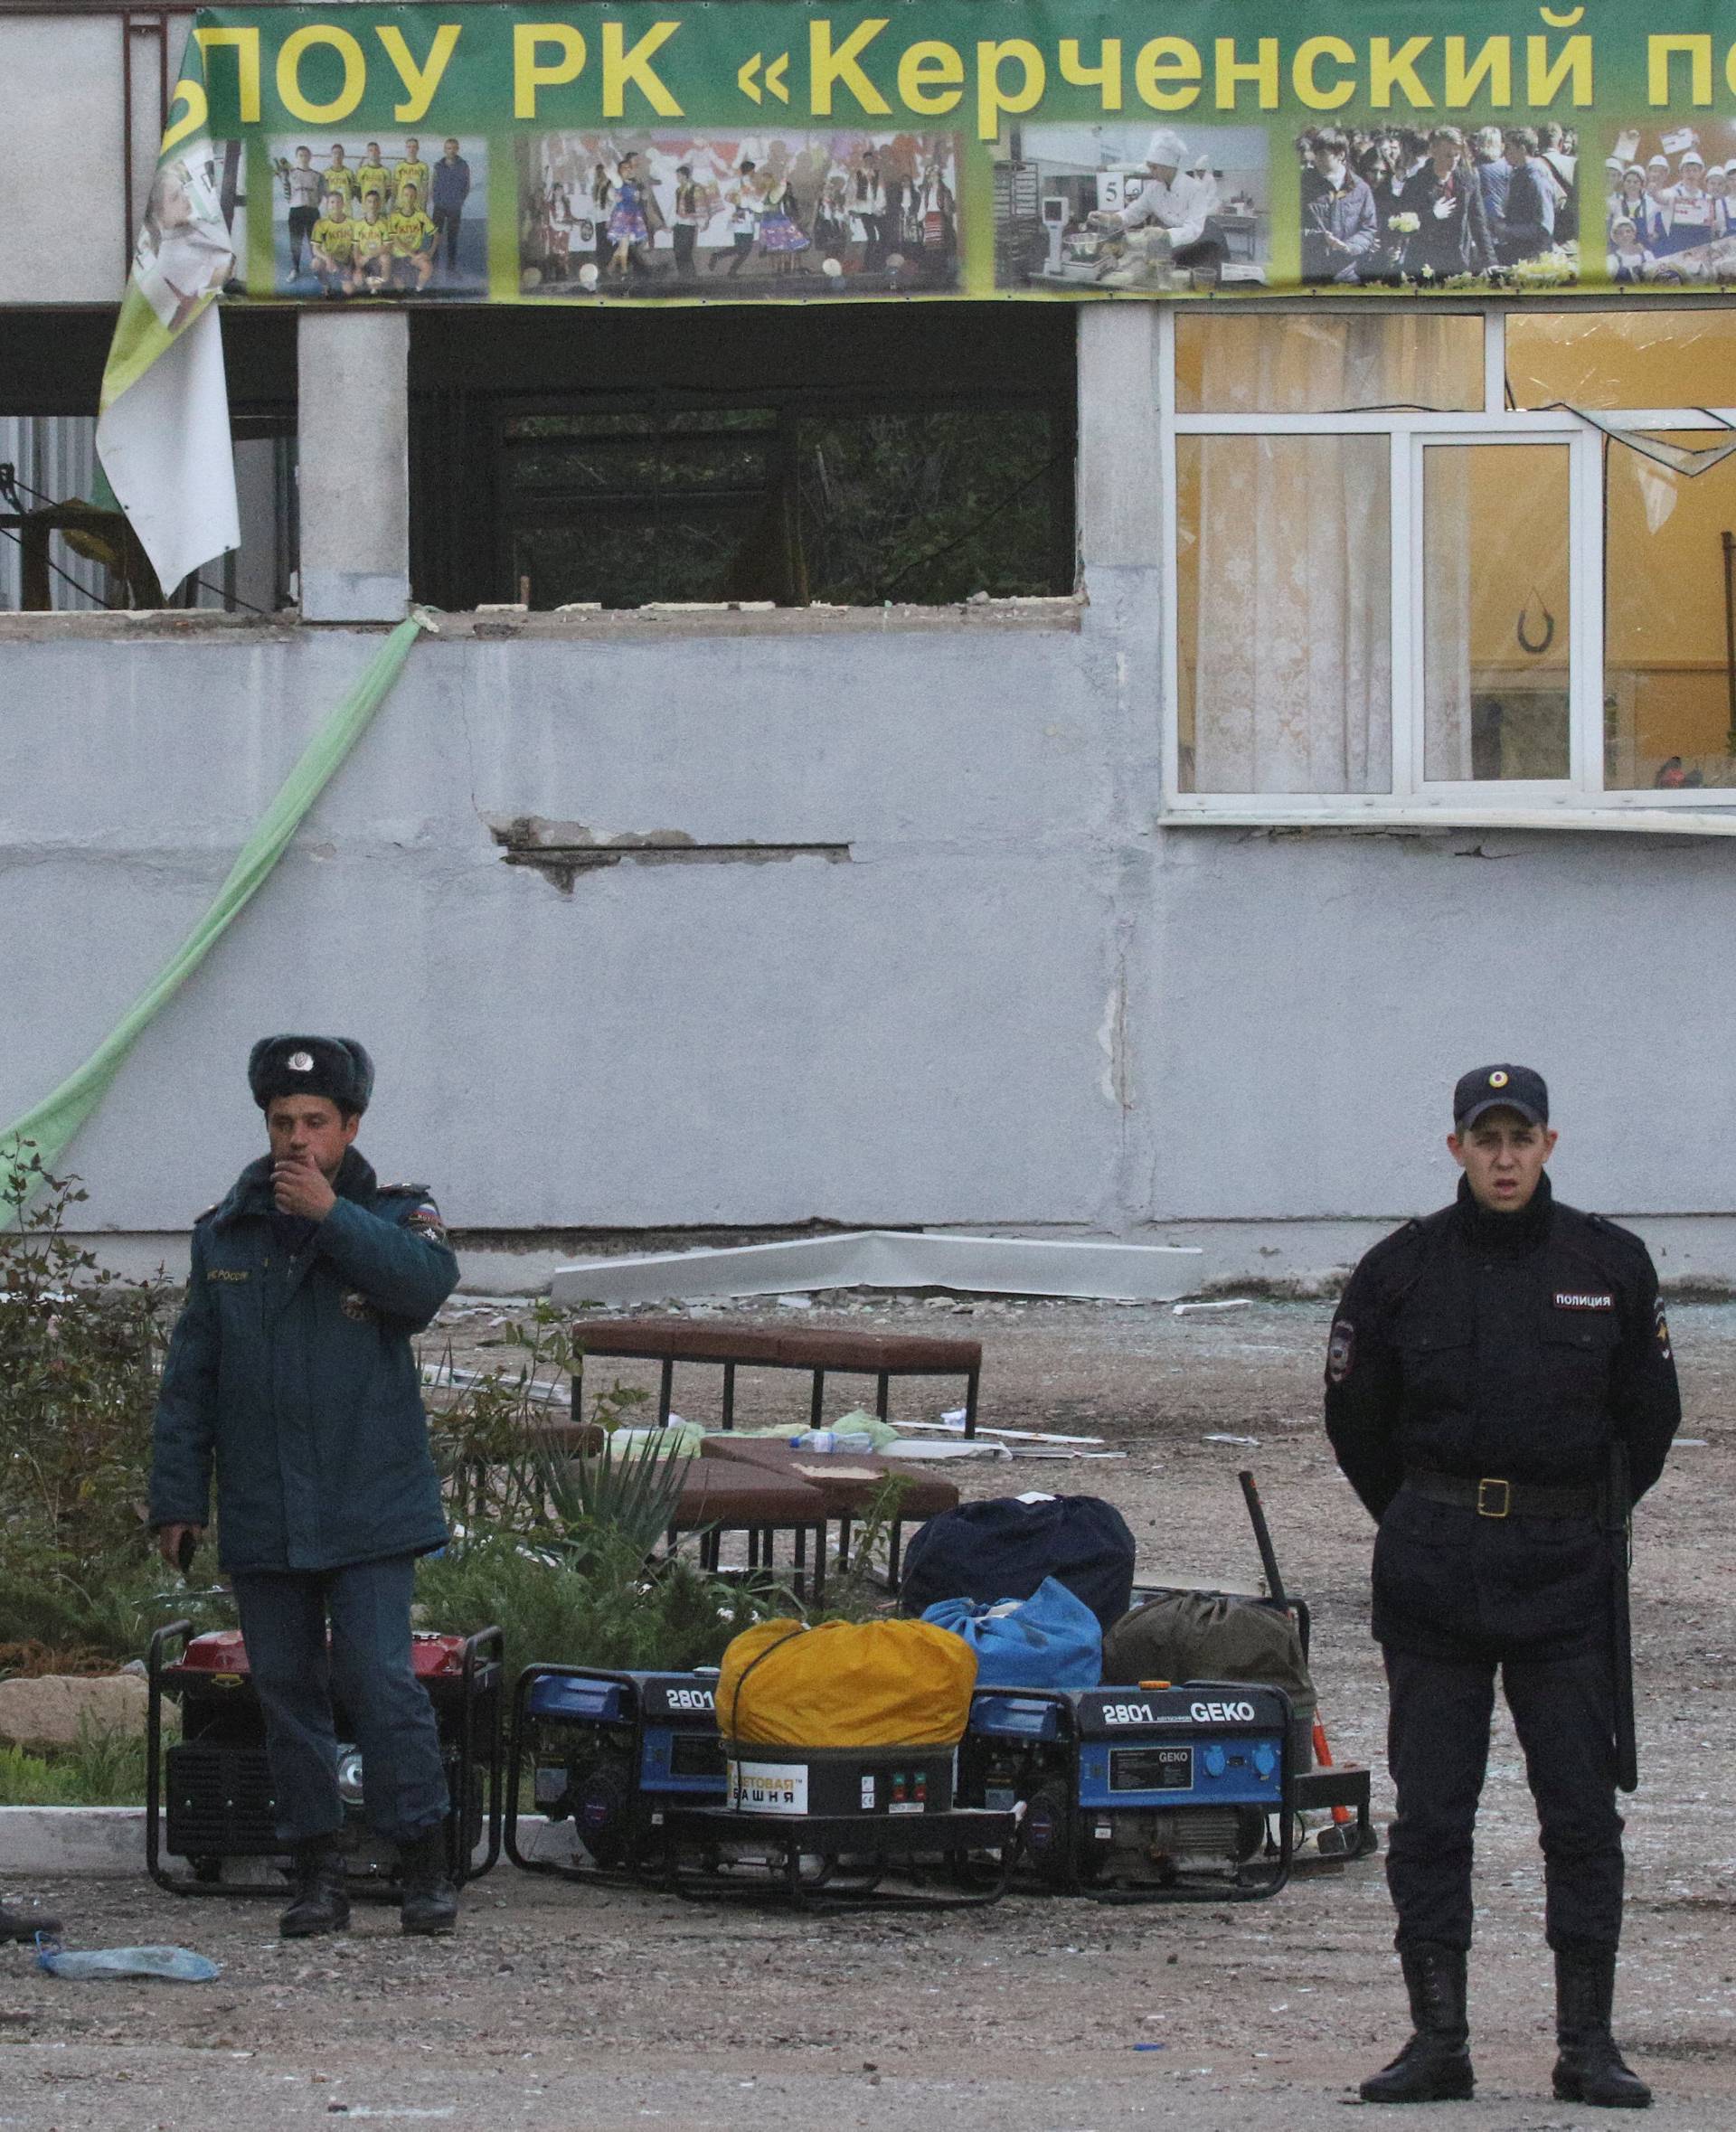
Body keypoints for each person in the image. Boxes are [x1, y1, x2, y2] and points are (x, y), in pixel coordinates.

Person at [1326, 1064, 1679, 2109]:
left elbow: (1648, 1421)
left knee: (1579, 1817)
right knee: (1433, 1815)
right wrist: (1427, 1511)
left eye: (1521, 1138)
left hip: (1567, 1573)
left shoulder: (1609, 1263)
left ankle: (1589, 2044)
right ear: (1456, 1152)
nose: (1505, 1157)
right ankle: (1438, 2041)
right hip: (1434, 1569)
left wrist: (1576, 1517)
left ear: (1550, 1146)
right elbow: (1356, 1425)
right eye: (1486, 1140)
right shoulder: (1399, 1269)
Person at [149, 1038, 461, 1940]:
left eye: (315, 1123)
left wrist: (333, 1217)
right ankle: (315, 1870)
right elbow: (191, 1375)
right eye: (283, 1123)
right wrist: (176, 1498)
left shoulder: (397, 1214)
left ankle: (420, 1860)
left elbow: (424, 1291)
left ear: (349, 1126)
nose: (296, 1139)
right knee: (284, 1690)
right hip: (264, 1505)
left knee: (378, 1679)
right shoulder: (229, 1230)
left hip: (368, 1503)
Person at [1089, 127, 1219, 280]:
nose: (1151, 172)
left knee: (1199, 285)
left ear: (1169, 166)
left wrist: (1164, 233)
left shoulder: (1195, 188)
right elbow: (1133, 213)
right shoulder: (1154, 189)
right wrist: (1108, 218)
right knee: (1169, 280)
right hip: (1173, 242)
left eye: (1154, 167)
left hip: (1203, 242)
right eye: (1150, 167)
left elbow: (1193, 229)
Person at [1396, 127, 1493, 279]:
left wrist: (1490, 262)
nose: (1453, 161)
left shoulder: (1468, 180)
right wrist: (1431, 215)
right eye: (1448, 155)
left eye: (1457, 155)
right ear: (1433, 151)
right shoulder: (1415, 184)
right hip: (1425, 262)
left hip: (1459, 261)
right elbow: (1403, 226)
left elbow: (1479, 223)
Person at [1301, 128, 1378, 283]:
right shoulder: (1301, 184)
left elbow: (1369, 229)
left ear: (1341, 155)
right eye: (1316, 154)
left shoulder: (1361, 188)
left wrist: (1348, 247)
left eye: (1323, 154)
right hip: (1308, 274)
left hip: (1347, 275)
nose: (1317, 159)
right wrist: (1317, 237)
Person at [429, 138, 471, 274]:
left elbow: (466, 186)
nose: (451, 151)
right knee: (435, 237)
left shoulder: (463, 165)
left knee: (452, 238)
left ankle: (451, 268)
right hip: (439, 206)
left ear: (457, 149)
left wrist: (459, 201)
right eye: (448, 148)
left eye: (453, 148)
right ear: (444, 149)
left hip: (455, 207)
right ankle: (433, 267)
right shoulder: (438, 166)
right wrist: (436, 200)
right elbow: (433, 184)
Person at [281, 146, 323, 278]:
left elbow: (320, 195)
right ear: (297, 157)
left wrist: (313, 205)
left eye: (306, 155)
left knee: (315, 242)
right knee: (295, 242)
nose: (303, 158)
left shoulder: (317, 175)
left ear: (310, 157)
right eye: (300, 155)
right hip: (296, 211)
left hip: (312, 211)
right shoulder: (291, 174)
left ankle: (316, 269)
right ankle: (295, 268)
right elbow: (287, 193)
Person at [387, 182, 437, 290]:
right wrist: (414, 256)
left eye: (412, 196)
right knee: (400, 289)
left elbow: (436, 234)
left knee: (428, 267)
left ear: (415, 198)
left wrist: (430, 252)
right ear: (401, 197)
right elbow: (396, 241)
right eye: (406, 195)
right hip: (399, 256)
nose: (408, 199)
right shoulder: (394, 217)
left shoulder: (421, 216)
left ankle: (418, 290)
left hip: (415, 253)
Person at [309, 191, 355, 297]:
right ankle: (326, 284)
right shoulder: (320, 224)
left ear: (343, 204)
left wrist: (351, 265)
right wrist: (327, 258)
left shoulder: (352, 223)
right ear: (327, 205)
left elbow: (355, 247)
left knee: (349, 291)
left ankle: (345, 277)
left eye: (339, 202)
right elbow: (315, 249)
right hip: (329, 260)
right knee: (315, 263)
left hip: (345, 260)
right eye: (332, 202)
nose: (336, 205)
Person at [392, 137, 430, 214]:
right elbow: (395, 187)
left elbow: (425, 188)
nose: (411, 149)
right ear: (406, 148)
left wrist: (424, 206)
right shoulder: (399, 166)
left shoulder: (423, 166)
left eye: (414, 147)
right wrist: (393, 205)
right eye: (409, 147)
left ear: (418, 148)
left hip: (417, 205)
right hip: (401, 204)